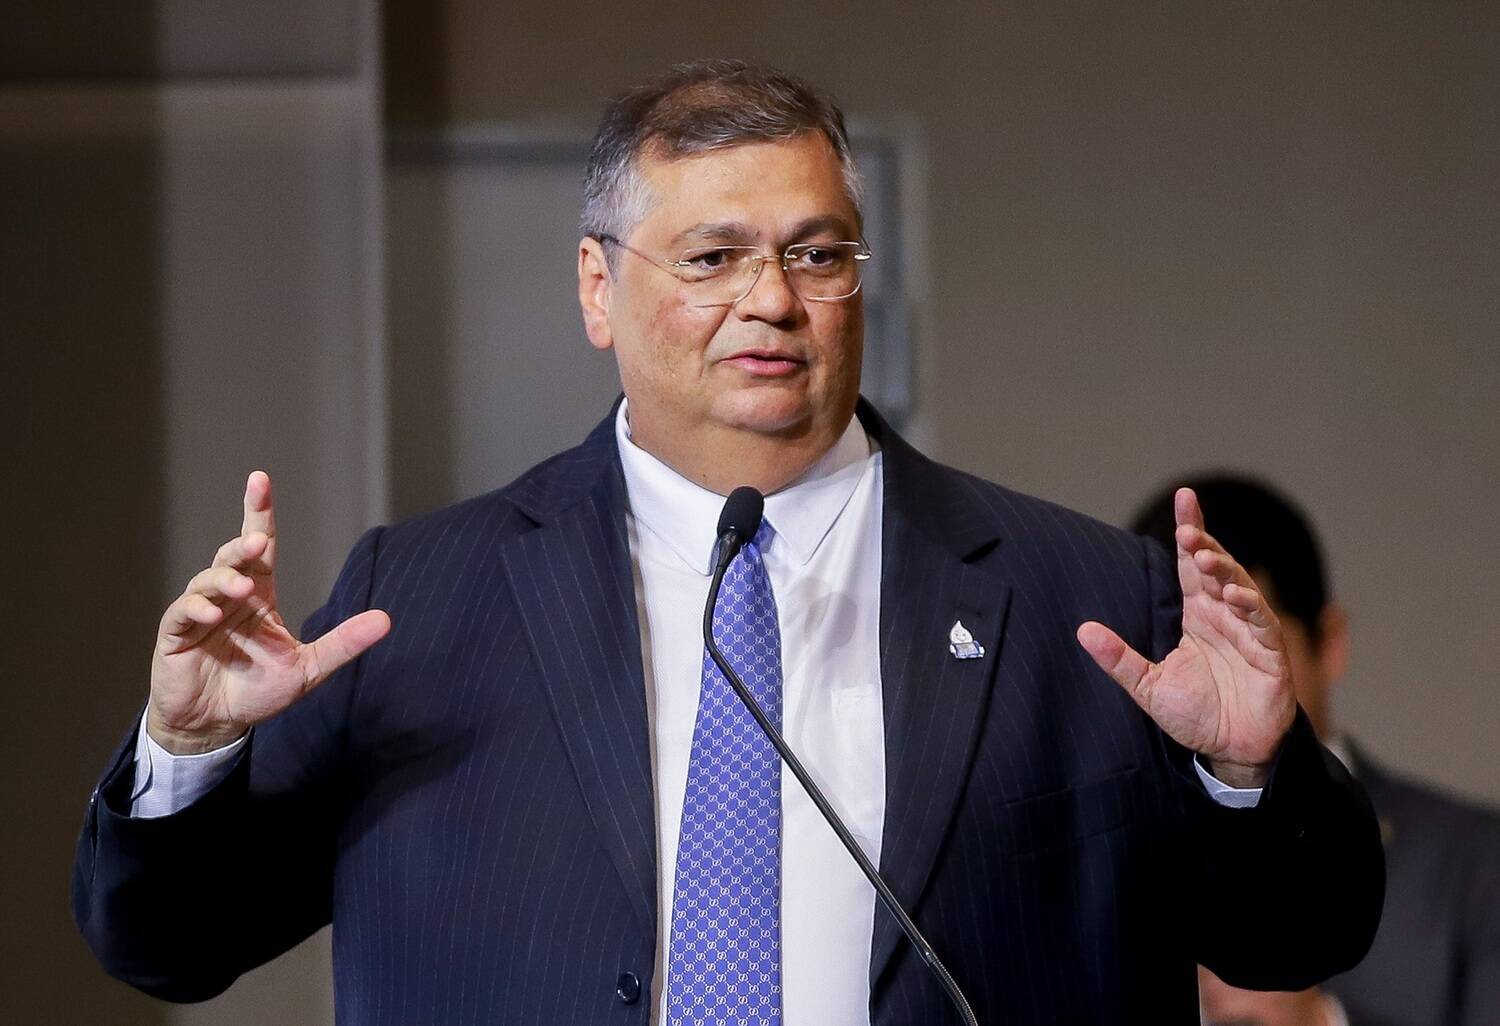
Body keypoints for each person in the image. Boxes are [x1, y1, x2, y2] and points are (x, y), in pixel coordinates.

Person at [73, 60, 1383, 1025]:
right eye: (712, 257)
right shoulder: (417, 597)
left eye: (817, 254)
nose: (772, 301)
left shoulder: (1084, 595)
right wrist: (189, 753)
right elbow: (169, 943)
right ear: (599, 286)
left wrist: (1252, 774)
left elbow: (1298, 940)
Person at [1133, 474, 1500, 1026]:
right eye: (1175, 649)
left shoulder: (1474, 866)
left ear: (1330, 643)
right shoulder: (1106, 861)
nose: (1204, 683)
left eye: (1238, 642)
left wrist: (1322, 1022)